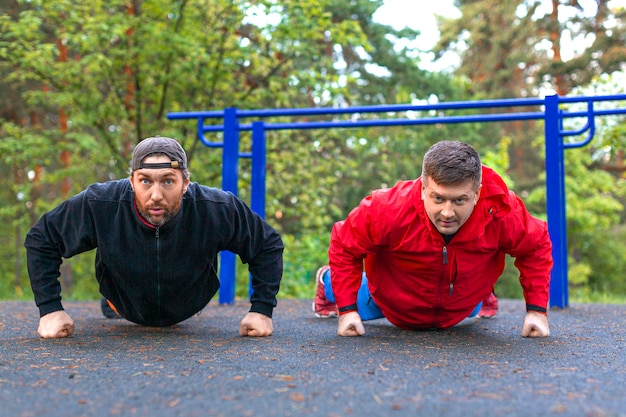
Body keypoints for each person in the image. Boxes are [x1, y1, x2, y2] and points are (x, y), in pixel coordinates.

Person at [25, 136, 283, 339]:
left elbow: (267, 244)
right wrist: (50, 310)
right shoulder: (101, 203)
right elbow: (42, 239)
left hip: (187, 303)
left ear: (185, 183)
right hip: (123, 302)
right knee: (117, 296)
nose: (156, 194)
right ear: (131, 182)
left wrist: (261, 310)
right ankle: (115, 302)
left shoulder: (215, 207)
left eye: (168, 181)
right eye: (145, 181)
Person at [314, 140, 552, 338]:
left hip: (462, 301)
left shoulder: (500, 209)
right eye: (438, 199)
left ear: (477, 193)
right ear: (423, 189)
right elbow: (345, 243)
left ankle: (482, 294)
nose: (447, 213)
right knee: (345, 291)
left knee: (472, 303)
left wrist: (537, 311)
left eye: (459, 200)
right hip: (391, 300)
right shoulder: (387, 208)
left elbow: (536, 244)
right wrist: (346, 311)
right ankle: (326, 281)